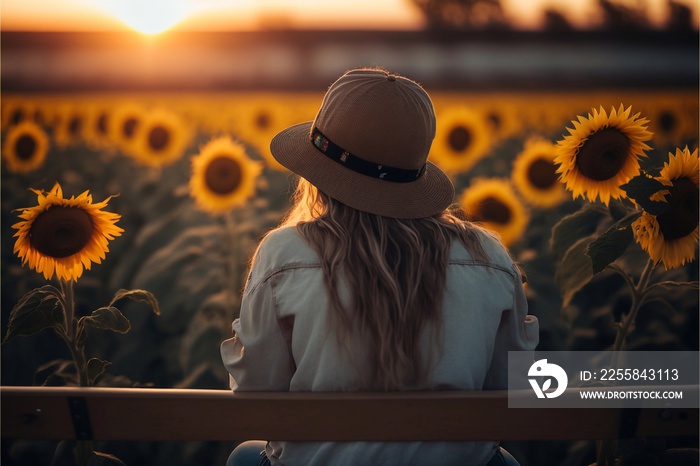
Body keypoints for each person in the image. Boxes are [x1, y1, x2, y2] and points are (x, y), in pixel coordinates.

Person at [220, 68, 539, 466]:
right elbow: (508, 388)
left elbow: (256, 392)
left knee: (244, 458)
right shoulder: (488, 256)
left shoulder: (285, 254)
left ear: (317, 173)